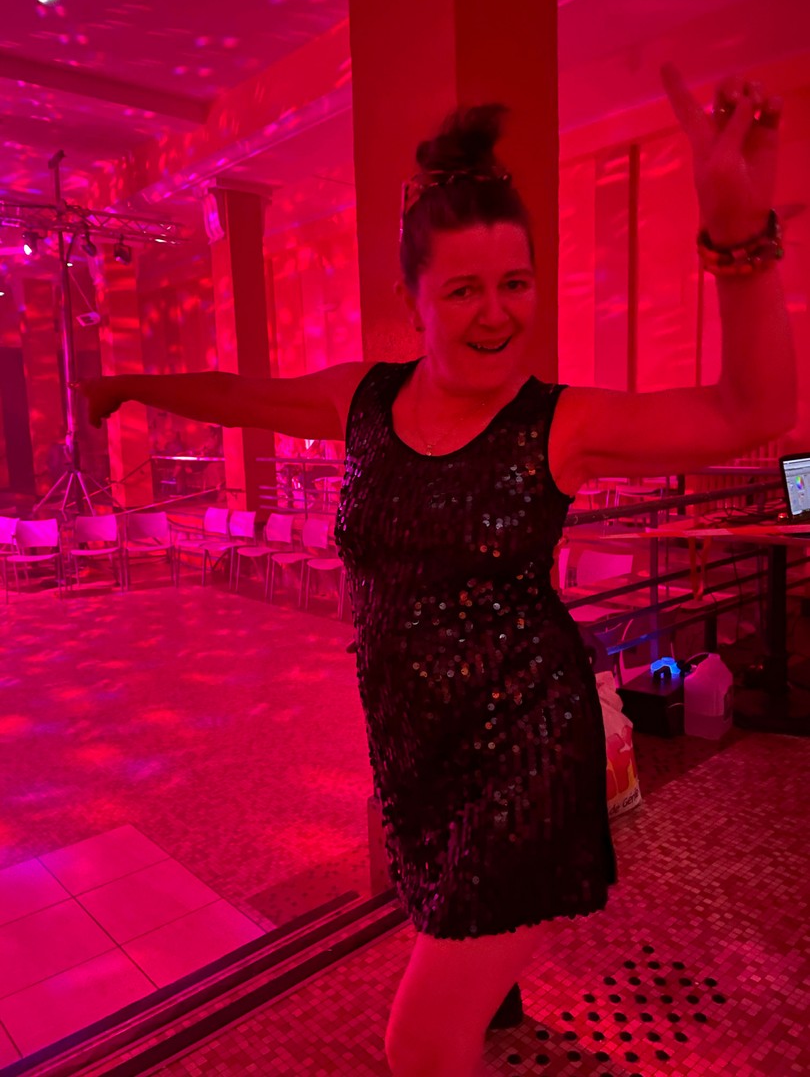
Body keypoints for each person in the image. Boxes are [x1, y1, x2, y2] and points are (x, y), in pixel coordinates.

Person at [80, 64, 795, 1077]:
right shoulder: (367, 403)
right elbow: (244, 394)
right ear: (413, 299)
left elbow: (749, 411)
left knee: (417, 1043)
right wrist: (130, 381)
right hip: (415, 756)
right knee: (457, 990)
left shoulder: (560, 422)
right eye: (463, 289)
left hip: (526, 756)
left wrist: (737, 239)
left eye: (515, 283)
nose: (496, 313)